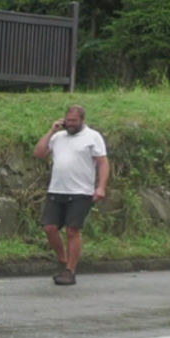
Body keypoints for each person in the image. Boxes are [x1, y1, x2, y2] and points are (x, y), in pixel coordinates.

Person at [32, 106, 109, 285]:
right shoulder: (58, 137)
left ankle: (70, 270)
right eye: (68, 120)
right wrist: (51, 131)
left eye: (74, 121)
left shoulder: (92, 137)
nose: (70, 124)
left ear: (82, 120)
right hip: (57, 189)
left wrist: (101, 187)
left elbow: (103, 163)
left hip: (81, 191)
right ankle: (63, 260)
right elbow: (39, 153)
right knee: (50, 228)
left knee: (72, 230)